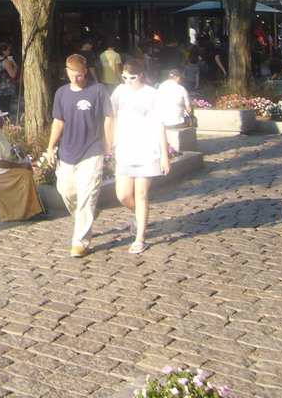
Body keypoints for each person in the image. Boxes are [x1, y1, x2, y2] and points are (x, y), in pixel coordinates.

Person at [47, 54, 114, 258]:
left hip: (91, 150)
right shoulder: (61, 93)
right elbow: (59, 121)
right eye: (71, 74)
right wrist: (51, 146)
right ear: (66, 71)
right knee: (66, 191)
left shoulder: (98, 90)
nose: (75, 78)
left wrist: (107, 144)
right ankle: (85, 215)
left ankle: (80, 241)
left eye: (78, 75)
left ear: (85, 71)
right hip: (67, 151)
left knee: (87, 194)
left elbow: (109, 117)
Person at [111, 59, 171, 255]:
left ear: (141, 75)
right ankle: (139, 217)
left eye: (132, 78)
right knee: (123, 195)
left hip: (147, 150)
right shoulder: (119, 92)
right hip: (124, 150)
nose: (128, 81)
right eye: (125, 77)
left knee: (141, 194)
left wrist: (164, 155)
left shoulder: (152, 94)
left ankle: (140, 237)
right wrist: (109, 142)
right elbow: (110, 117)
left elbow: (160, 124)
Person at [0, 105, 43, 221]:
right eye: (1, 119)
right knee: (24, 174)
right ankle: (26, 211)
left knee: (25, 170)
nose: (3, 121)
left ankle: (31, 208)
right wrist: (20, 165)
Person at [156, 68, 193, 140]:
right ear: (176, 77)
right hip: (178, 122)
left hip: (163, 122)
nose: (181, 80)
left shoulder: (160, 87)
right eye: (180, 77)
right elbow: (189, 109)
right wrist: (192, 116)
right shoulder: (181, 89)